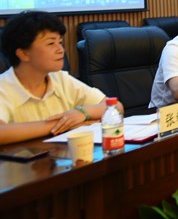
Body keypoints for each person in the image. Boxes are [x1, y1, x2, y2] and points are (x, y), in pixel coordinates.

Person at [0, 11, 114, 144]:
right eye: (51, 43)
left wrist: (82, 113)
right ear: (24, 53)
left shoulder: (60, 79)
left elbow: (115, 106)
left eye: (60, 42)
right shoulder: (4, 87)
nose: (61, 50)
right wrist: (63, 124)